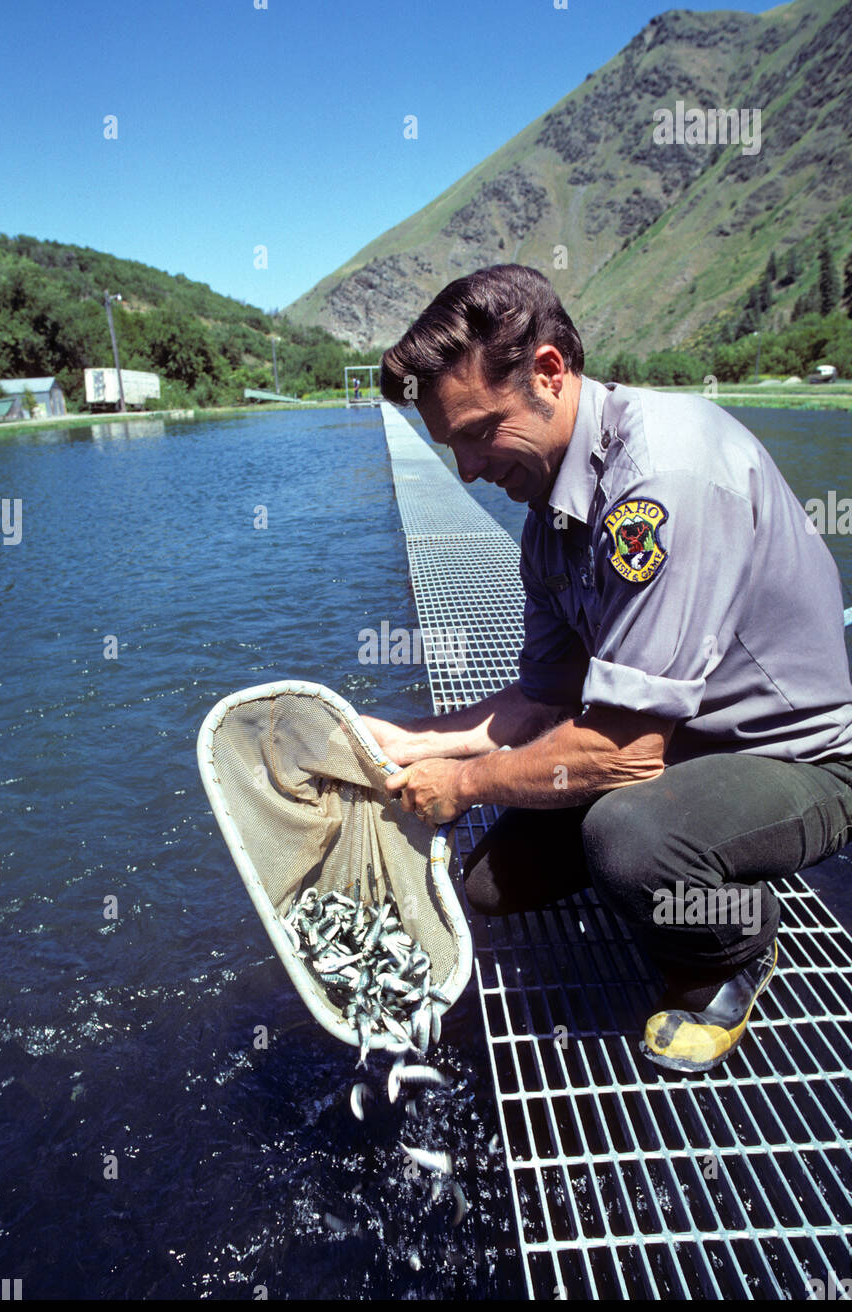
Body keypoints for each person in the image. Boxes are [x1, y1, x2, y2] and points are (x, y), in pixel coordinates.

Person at [362, 263, 852, 1074]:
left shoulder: (662, 479)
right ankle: (672, 877)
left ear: (549, 373)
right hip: (677, 735)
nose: (470, 472)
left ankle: (735, 939)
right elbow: (538, 703)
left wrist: (463, 785)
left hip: (798, 758)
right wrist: (410, 740)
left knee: (627, 841)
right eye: (453, 447)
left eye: (480, 433)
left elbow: (626, 753)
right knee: (489, 888)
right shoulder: (547, 524)